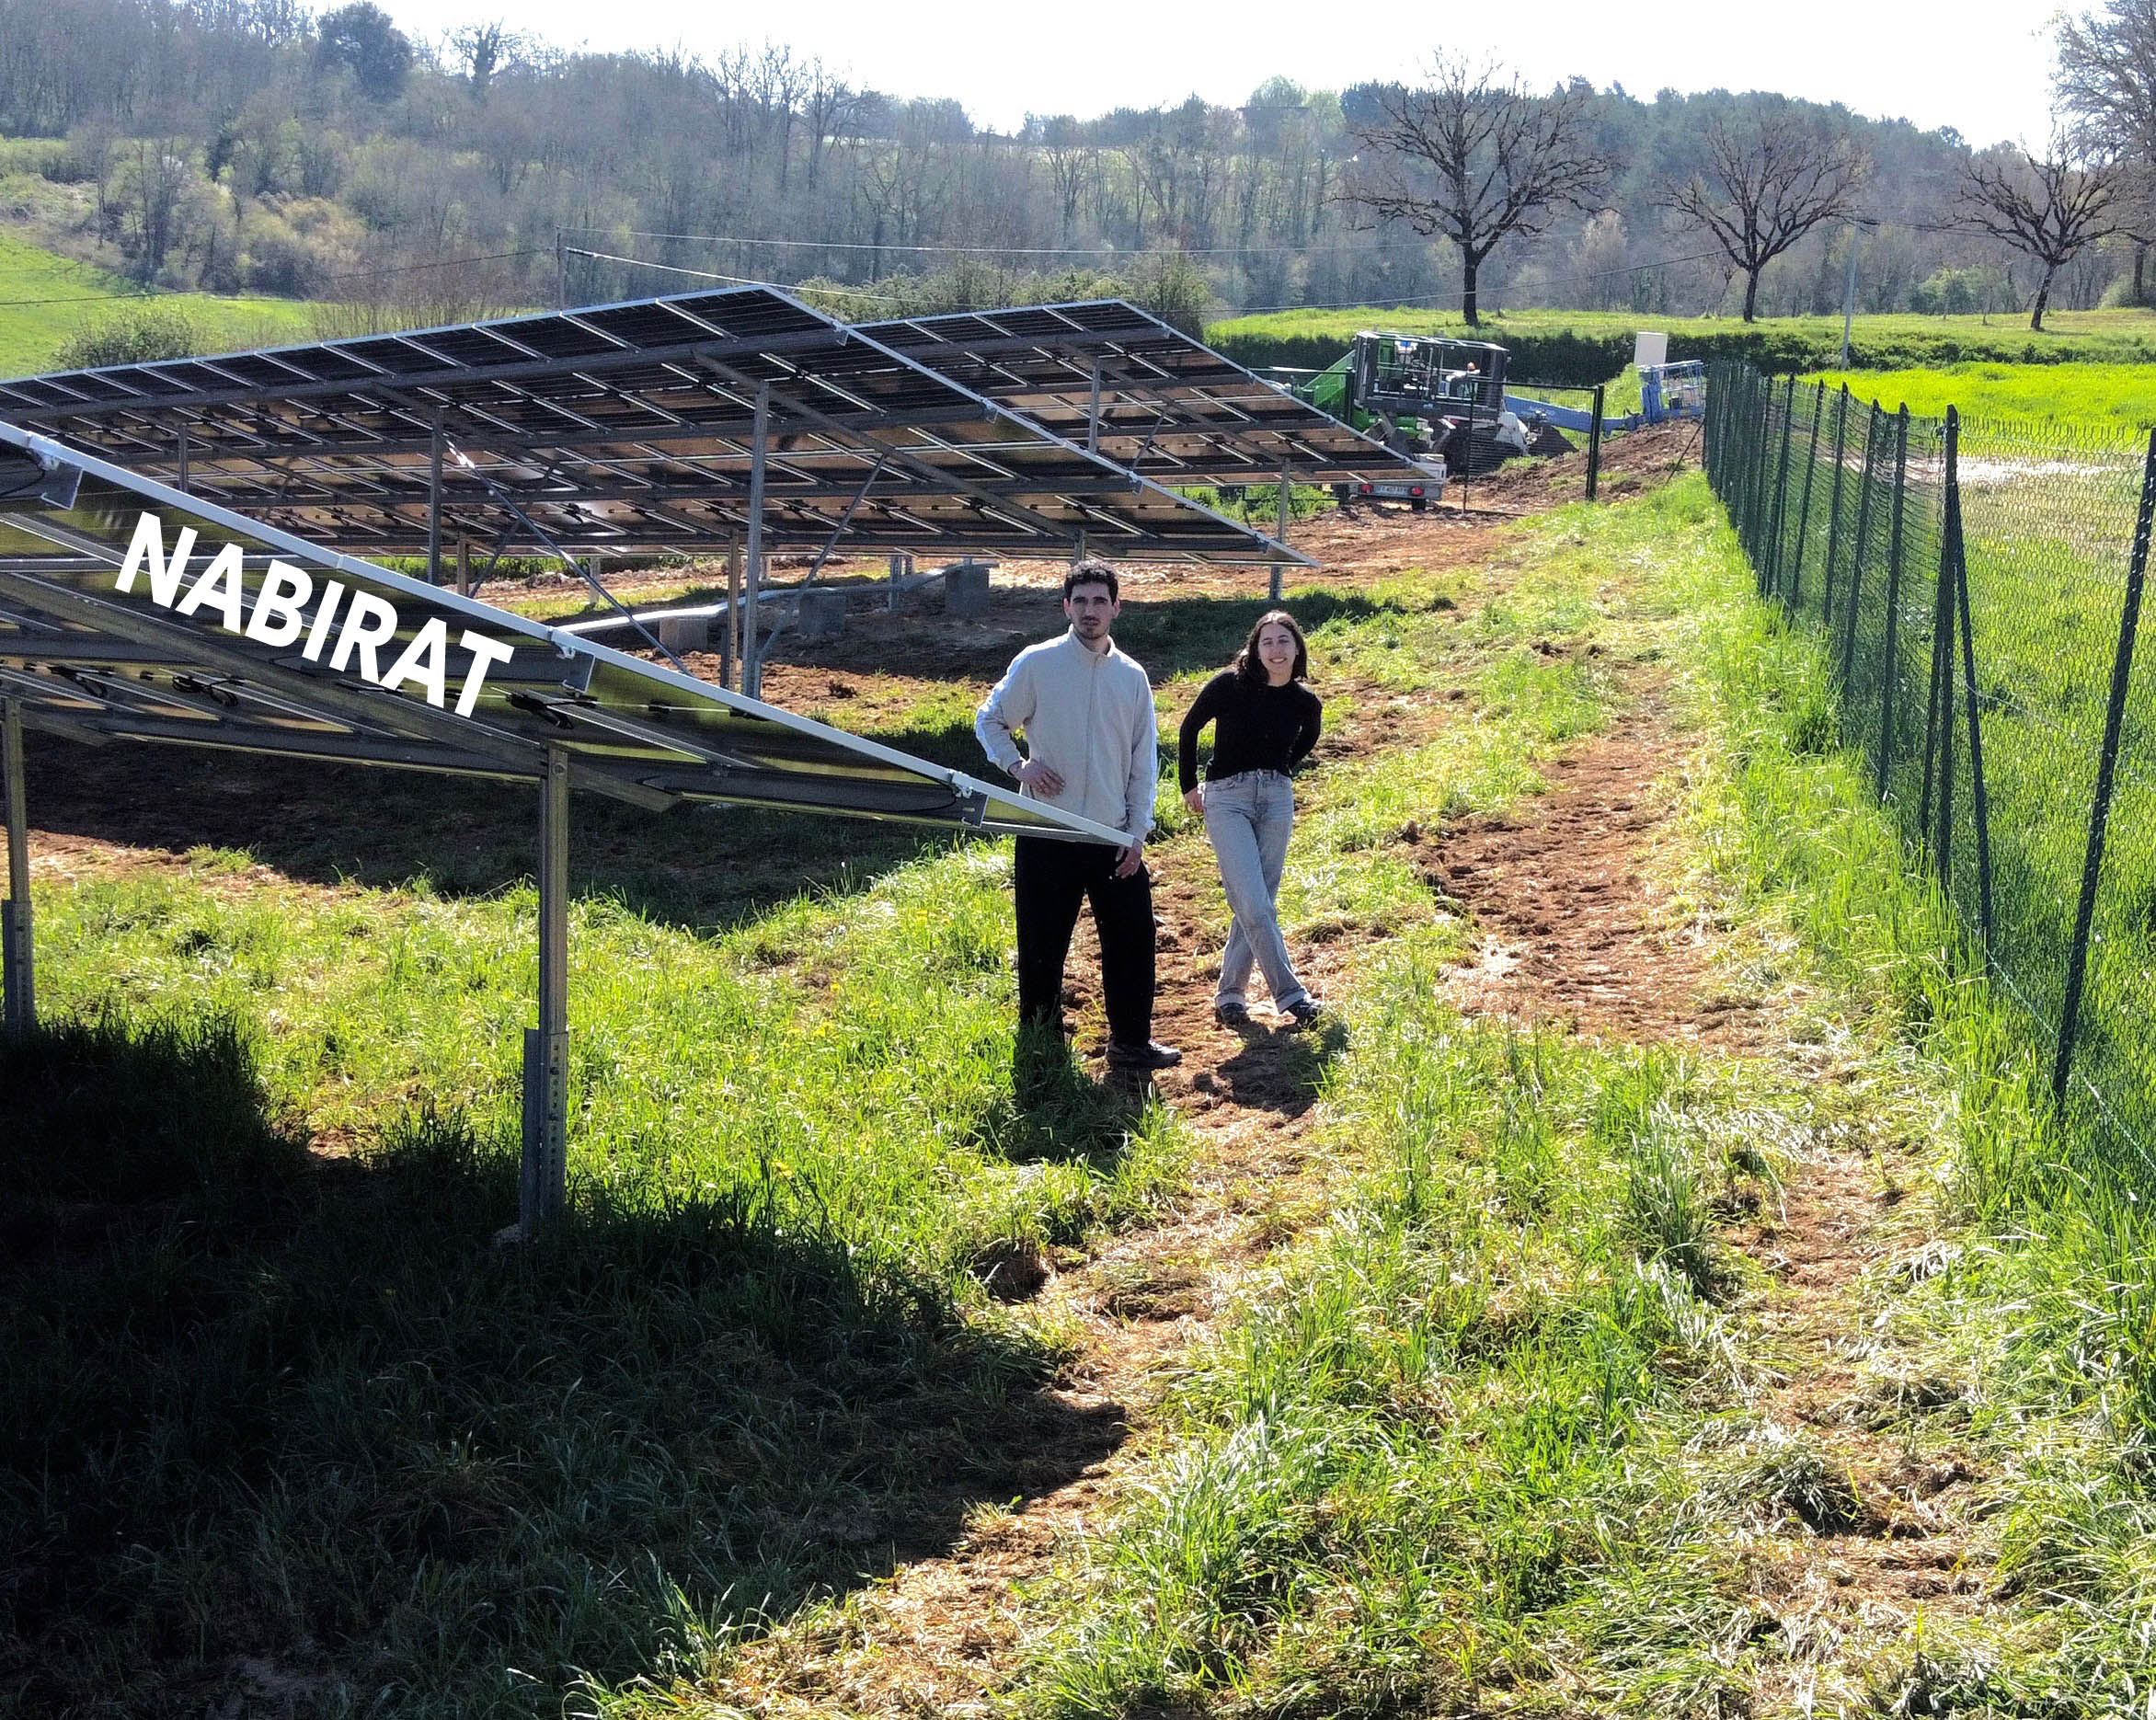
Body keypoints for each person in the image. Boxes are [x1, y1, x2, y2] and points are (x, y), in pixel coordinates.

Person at [975, 560, 1180, 1070]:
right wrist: (1018, 766)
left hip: (1110, 835)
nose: (1090, 611)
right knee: (1042, 944)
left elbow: (1142, 761)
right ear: (1066, 607)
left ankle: (1131, 1042)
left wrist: (1136, 832)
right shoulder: (1038, 664)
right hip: (1047, 831)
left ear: (1116, 607)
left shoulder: (1131, 678)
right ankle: (1043, 1043)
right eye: (1081, 601)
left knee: (1132, 939)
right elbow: (991, 719)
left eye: (1099, 601)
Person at [1177, 610, 1325, 1029]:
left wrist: (1282, 768)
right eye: (1268, 642)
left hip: (1277, 799)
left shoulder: (1304, 701)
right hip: (1227, 799)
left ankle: (1230, 996)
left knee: (1256, 900)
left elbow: (1308, 737)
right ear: (1255, 649)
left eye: (1284, 641)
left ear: (1297, 648)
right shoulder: (1229, 685)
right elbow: (1189, 729)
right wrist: (1189, 785)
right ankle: (1292, 995)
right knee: (1255, 902)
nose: (1276, 650)